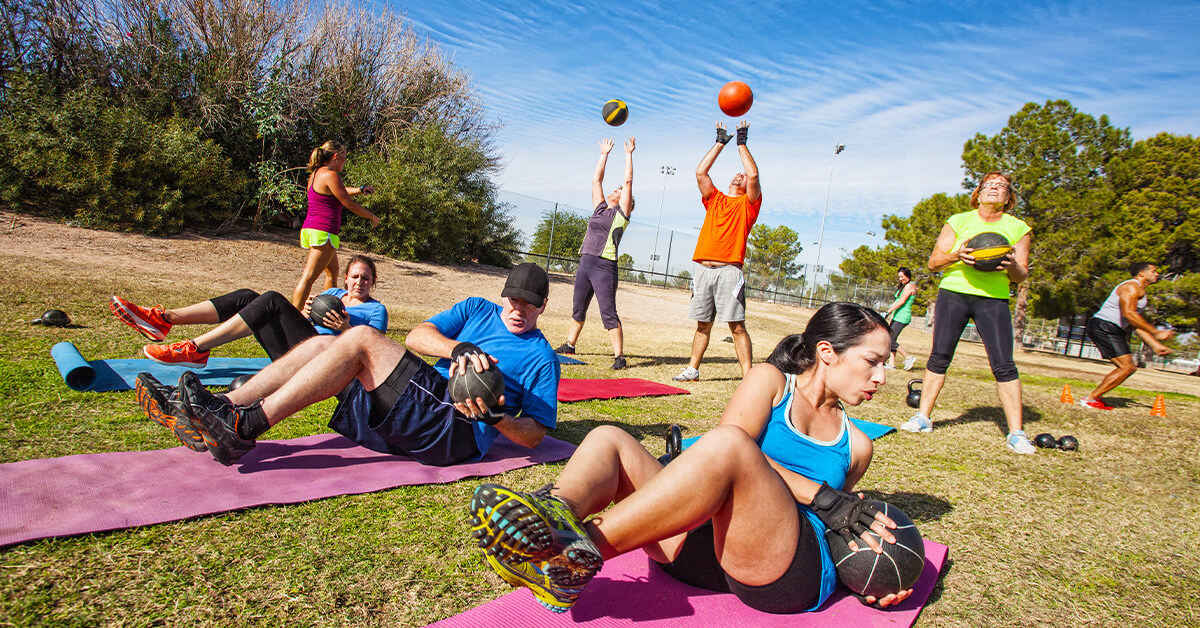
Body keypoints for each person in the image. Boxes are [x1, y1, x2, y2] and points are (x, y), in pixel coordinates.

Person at [467, 302, 912, 615]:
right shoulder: (771, 381)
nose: (882, 376)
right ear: (827, 353)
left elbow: (833, 524)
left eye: (886, 364)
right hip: (700, 555)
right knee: (609, 437)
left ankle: (566, 559)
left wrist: (874, 574)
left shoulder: (858, 445)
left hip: (781, 569)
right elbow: (737, 449)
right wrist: (824, 495)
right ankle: (555, 512)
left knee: (729, 447)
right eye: (873, 361)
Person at [138, 263, 559, 467]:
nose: (519, 309)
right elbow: (416, 337)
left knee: (357, 338)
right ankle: (222, 408)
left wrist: (498, 416)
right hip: (427, 399)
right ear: (504, 294)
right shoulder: (475, 309)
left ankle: (243, 428)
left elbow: (534, 436)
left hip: (456, 431)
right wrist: (456, 348)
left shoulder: (542, 359)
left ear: (543, 305)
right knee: (326, 346)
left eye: (530, 303)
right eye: (514, 298)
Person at [899, 172, 1036, 454]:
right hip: (954, 293)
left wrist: (1009, 263)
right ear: (979, 193)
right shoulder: (959, 220)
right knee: (939, 357)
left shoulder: (1018, 227)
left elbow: (1021, 275)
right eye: (989, 185)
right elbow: (934, 262)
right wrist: (956, 255)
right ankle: (922, 417)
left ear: (1009, 197)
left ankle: (1016, 433)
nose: (995, 189)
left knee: (1004, 364)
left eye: (1002, 186)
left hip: (993, 299)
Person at [110, 255, 387, 367]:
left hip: (320, 363)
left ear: (373, 282)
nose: (359, 282)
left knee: (271, 300)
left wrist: (346, 329)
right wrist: (303, 313)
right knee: (247, 297)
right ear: (347, 278)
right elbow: (302, 320)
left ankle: (195, 348)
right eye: (354, 276)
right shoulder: (332, 294)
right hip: (296, 347)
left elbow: (371, 354)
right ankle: (163, 319)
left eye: (365, 278)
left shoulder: (377, 311)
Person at [673, 121, 762, 382]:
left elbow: (754, 175)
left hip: (729, 272)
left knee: (736, 327)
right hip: (703, 270)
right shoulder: (715, 199)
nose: (741, 175)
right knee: (702, 325)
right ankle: (693, 369)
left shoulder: (749, 205)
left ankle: (748, 377)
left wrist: (742, 143)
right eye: (738, 173)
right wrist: (720, 143)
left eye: (743, 175)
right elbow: (700, 172)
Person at [556, 137, 636, 370]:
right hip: (585, 263)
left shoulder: (621, 215)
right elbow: (595, 180)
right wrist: (604, 154)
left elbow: (628, 181)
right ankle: (570, 345)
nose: (614, 190)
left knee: (608, 312)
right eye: (615, 190)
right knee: (578, 307)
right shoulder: (600, 209)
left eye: (618, 191)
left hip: (604, 266)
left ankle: (619, 357)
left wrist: (628, 154)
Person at [291, 140, 381, 310]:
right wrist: (372, 216)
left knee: (332, 273)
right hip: (323, 231)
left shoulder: (318, 173)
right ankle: (294, 315)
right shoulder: (331, 175)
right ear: (335, 156)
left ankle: (327, 310)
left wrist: (360, 189)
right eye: (344, 158)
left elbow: (340, 190)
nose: (344, 162)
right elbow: (349, 203)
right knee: (309, 276)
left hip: (314, 228)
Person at [1078, 262, 1174, 409]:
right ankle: (1090, 399)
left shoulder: (1140, 291)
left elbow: (1135, 323)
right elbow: (1128, 314)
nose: (1157, 274)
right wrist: (1156, 332)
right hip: (1105, 326)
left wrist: (1155, 344)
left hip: (1109, 327)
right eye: (1154, 271)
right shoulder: (1131, 287)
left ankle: (1094, 397)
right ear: (1142, 273)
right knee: (1127, 367)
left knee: (1127, 367)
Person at [882, 267, 918, 371]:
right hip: (896, 316)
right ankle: (891, 364)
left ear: (908, 275)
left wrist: (888, 312)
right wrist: (889, 312)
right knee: (891, 338)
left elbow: (902, 301)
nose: (901, 279)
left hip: (903, 317)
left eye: (902, 276)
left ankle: (908, 357)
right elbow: (897, 300)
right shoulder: (903, 287)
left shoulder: (910, 286)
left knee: (891, 340)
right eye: (899, 277)